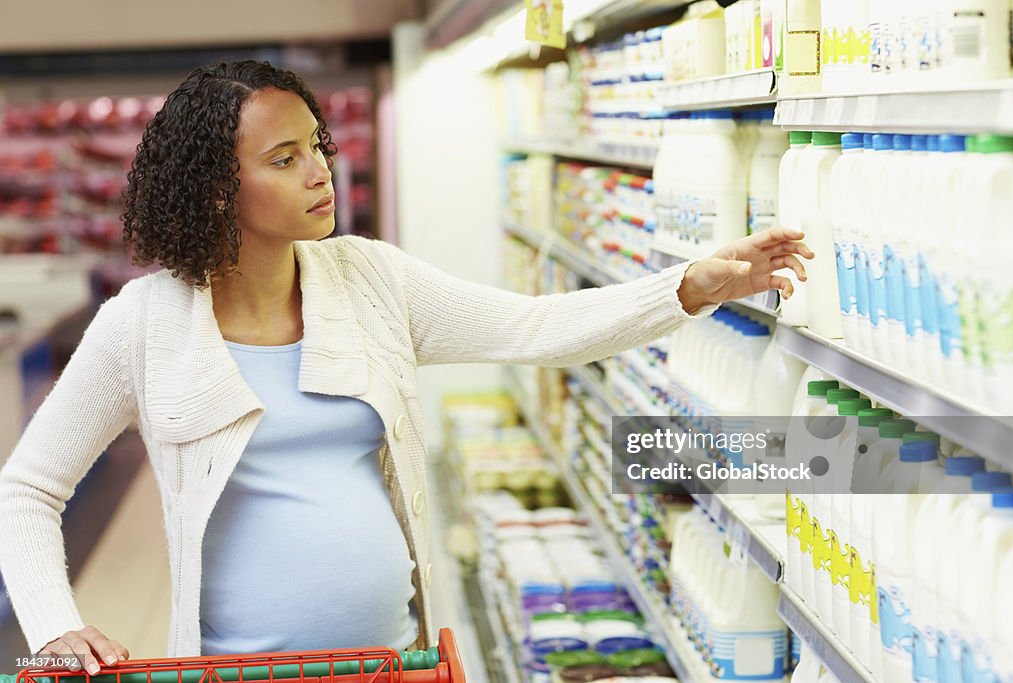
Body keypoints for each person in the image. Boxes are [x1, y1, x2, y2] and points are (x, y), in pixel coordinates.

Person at [0, 61, 812, 672]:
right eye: (284, 159)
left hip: (394, 662)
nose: (321, 169)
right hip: (236, 671)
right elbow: (27, 488)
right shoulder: (143, 324)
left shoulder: (371, 279)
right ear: (216, 188)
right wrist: (53, 625)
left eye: (316, 144)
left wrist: (688, 287)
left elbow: (532, 326)